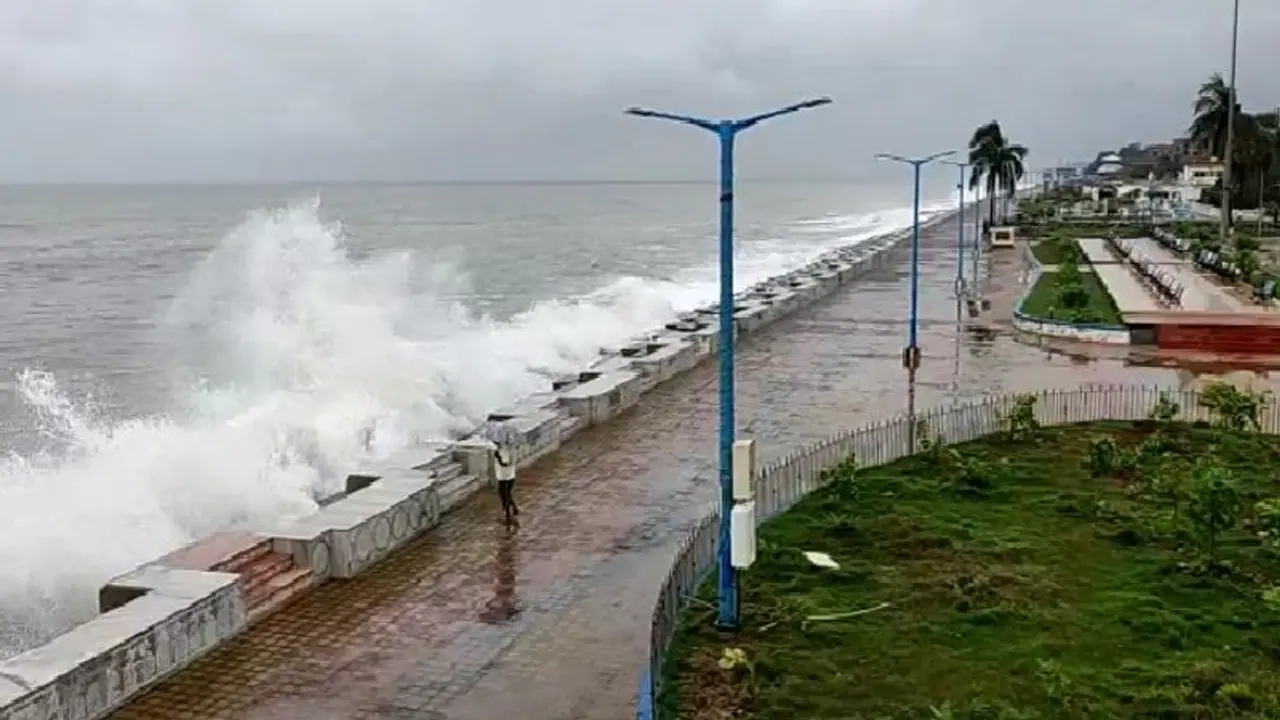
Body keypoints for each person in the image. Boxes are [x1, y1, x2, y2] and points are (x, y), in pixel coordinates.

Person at [493, 441, 519, 523]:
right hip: (509, 476)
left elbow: (505, 464)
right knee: (506, 494)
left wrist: (498, 457)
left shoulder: (506, 451)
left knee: (504, 495)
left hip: (505, 477)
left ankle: (507, 515)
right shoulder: (509, 449)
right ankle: (514, 509)